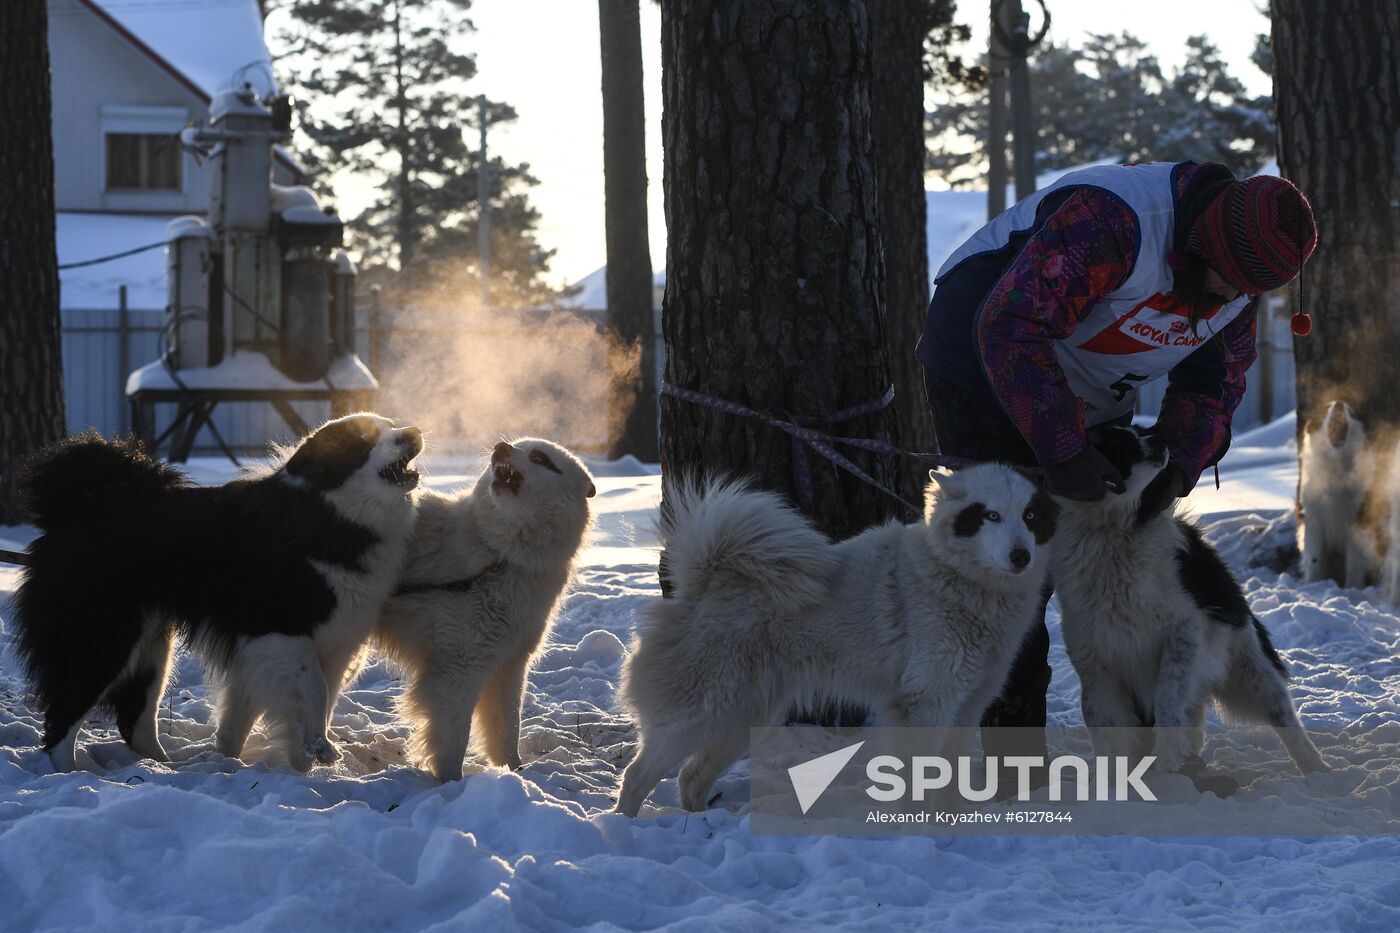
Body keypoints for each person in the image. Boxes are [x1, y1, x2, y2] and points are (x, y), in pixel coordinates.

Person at [915, 161, 1318, 768]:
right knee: (1011, 567)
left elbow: (1214, 383)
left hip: (1088, 388)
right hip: (981, 365)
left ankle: (1147, 749)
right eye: (1225, 283)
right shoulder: (1113, 224)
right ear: (1204, 242)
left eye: (1246, 292)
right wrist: (1064, 450)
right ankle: (1011, 760)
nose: (1229, 300)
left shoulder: (1239, 283)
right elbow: (1010, 327)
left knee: (1106, 563)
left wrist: (1181, 464)